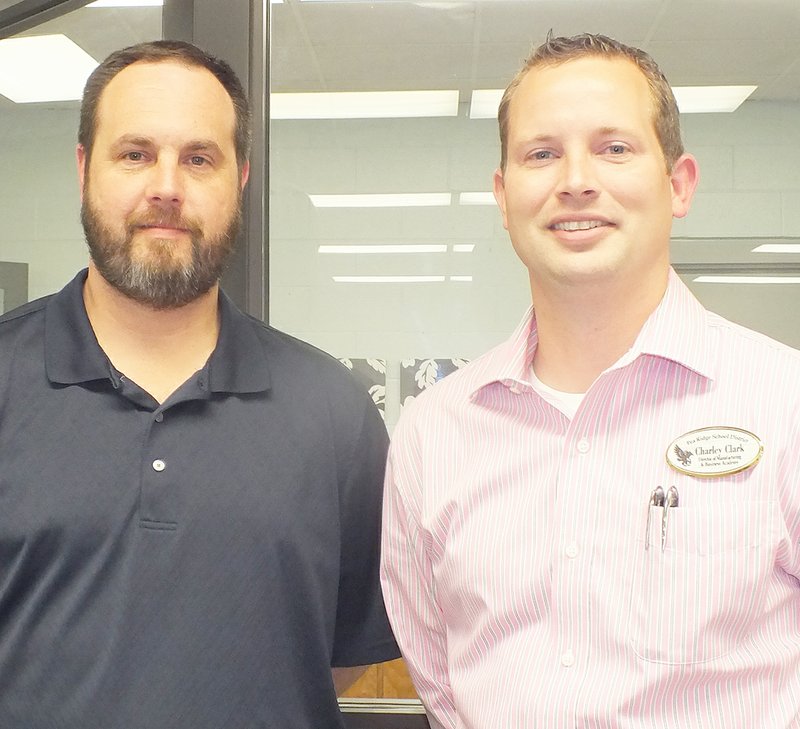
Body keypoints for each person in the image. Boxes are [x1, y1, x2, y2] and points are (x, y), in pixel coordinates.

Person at [380, 32, 800, 729]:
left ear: (679, 185)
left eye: (614, 148)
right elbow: (439, 675)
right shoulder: (434, 431)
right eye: (541, 153)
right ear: (503, 193)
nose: (575, 178)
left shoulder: (785, 401)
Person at [0, 40, 398, 728]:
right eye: (135, 154)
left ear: (239, 177)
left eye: (198, 158)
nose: (166, 186)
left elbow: (338, 653)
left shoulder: (332, 411)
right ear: (83, 167)